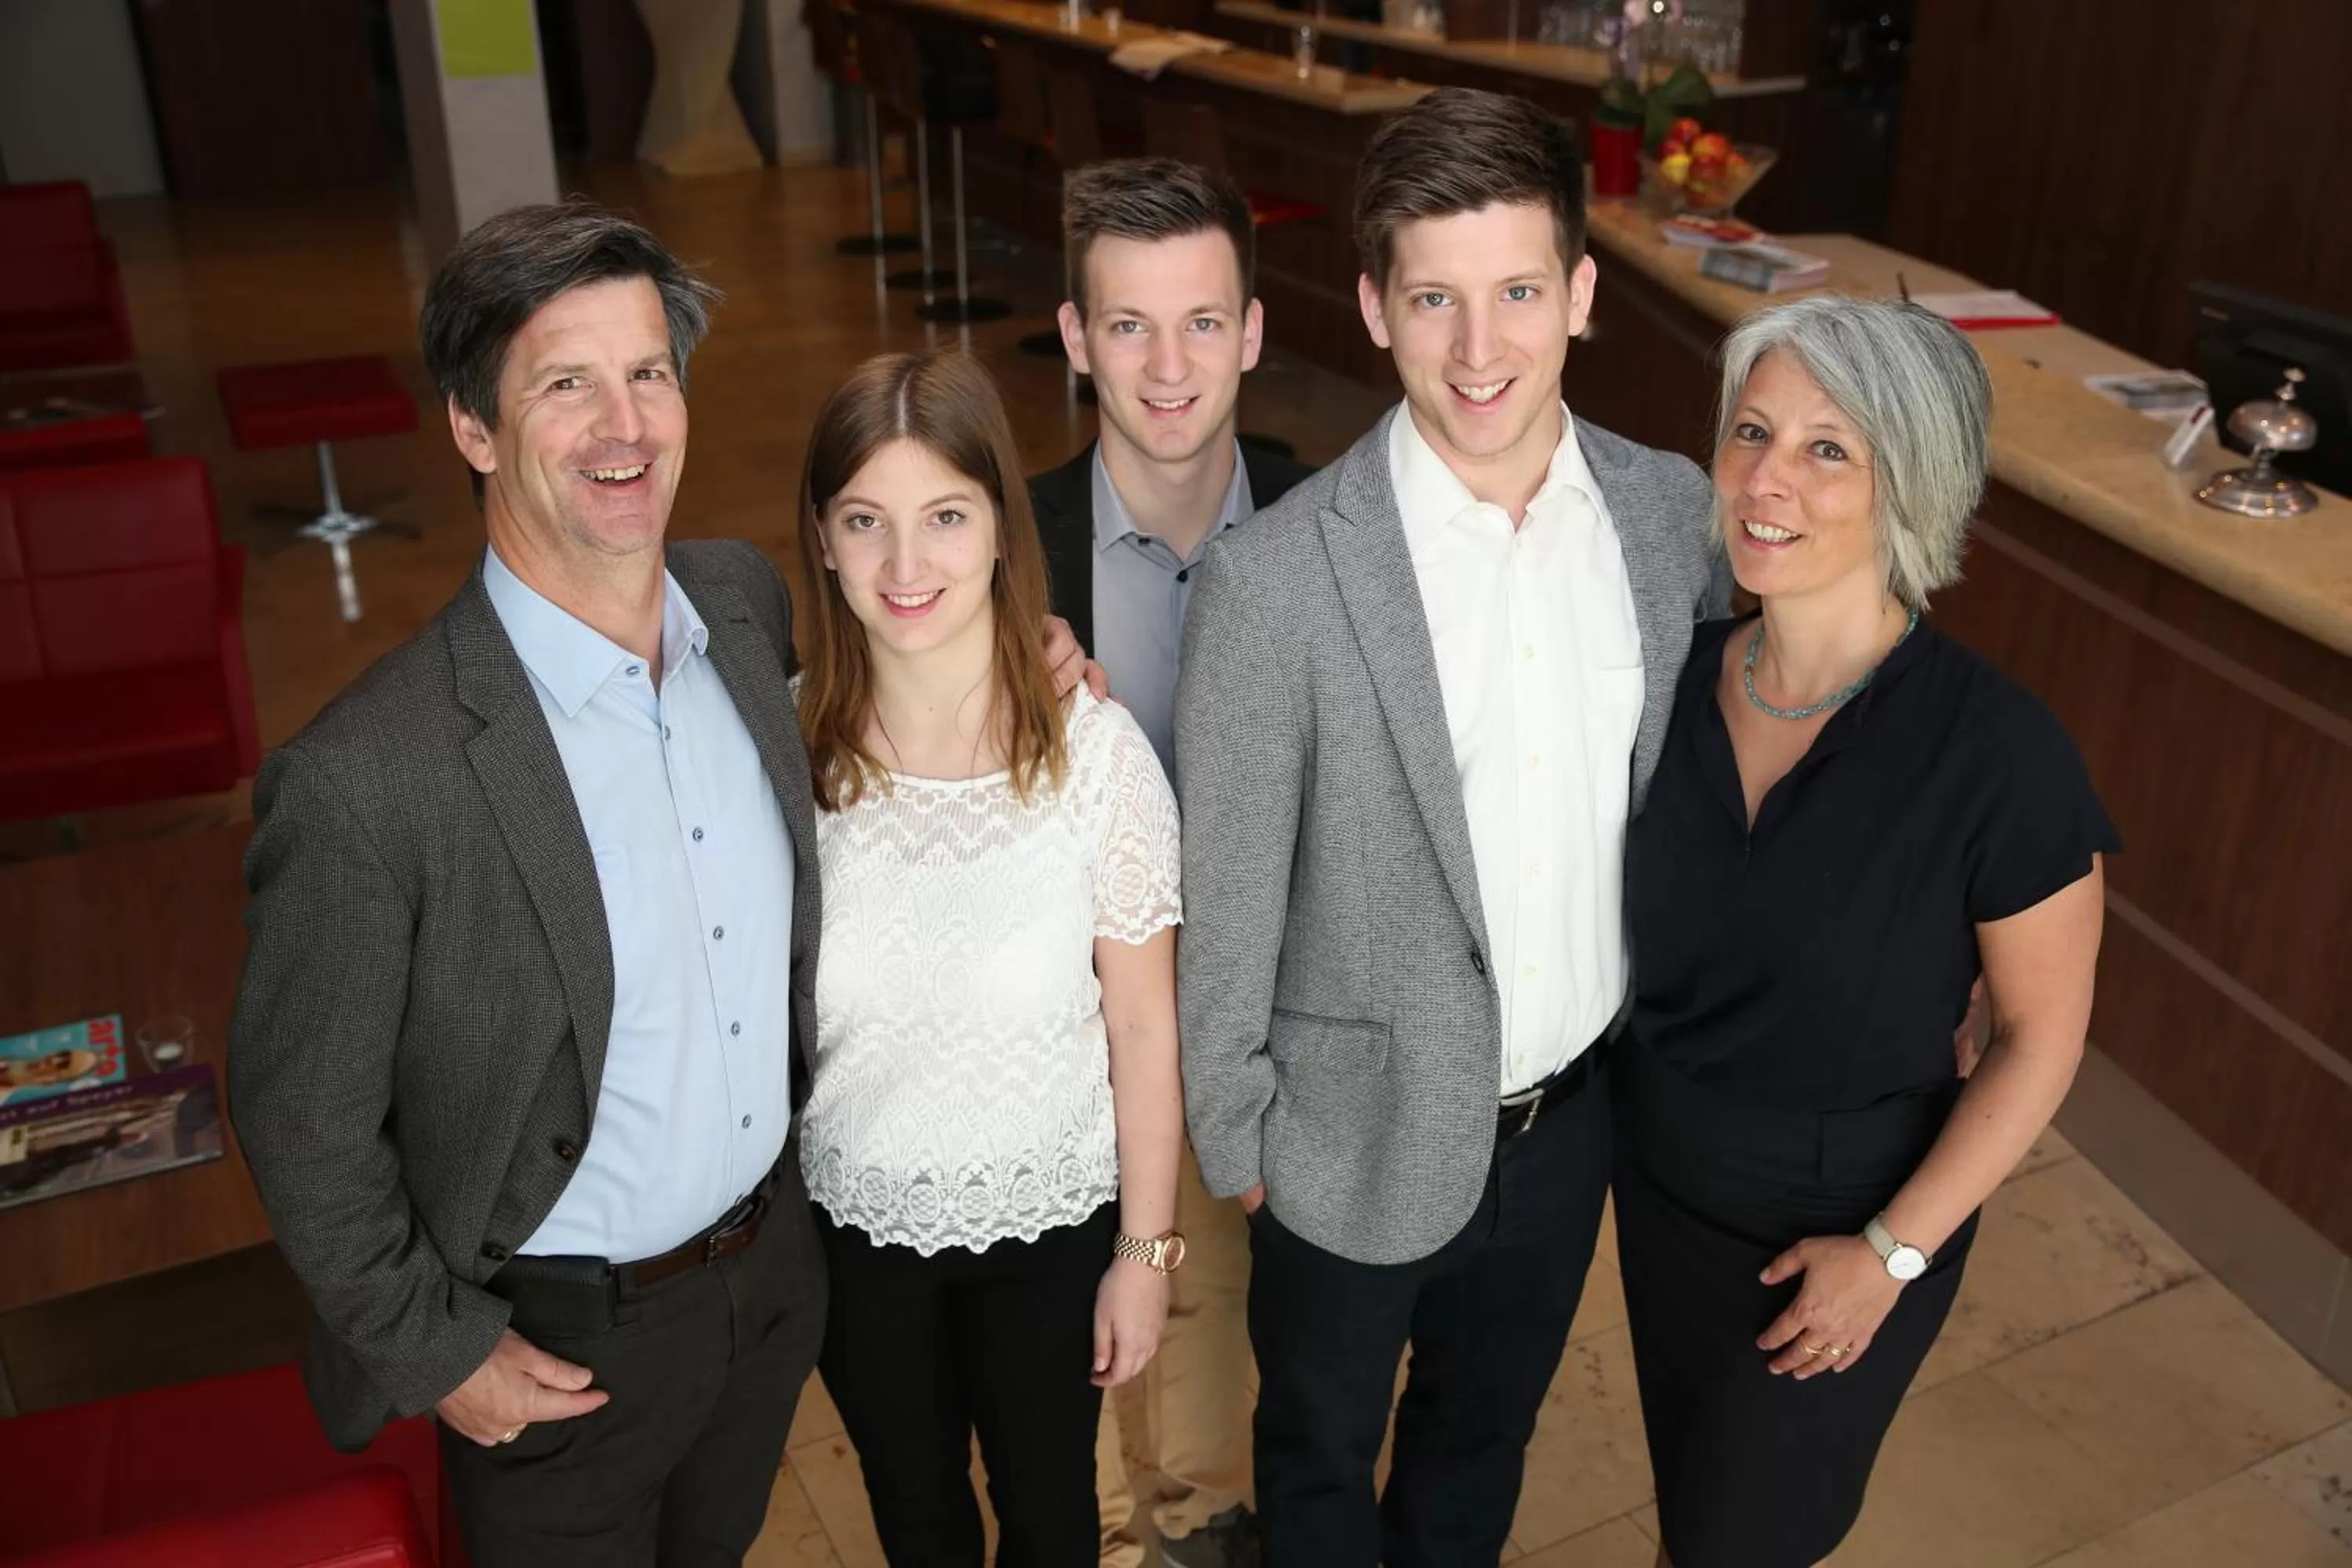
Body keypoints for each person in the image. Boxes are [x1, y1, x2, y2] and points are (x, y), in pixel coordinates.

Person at [227, 201, 1092, 1567]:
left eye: (647, 372)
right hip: (557, 1348)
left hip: (771, 1289)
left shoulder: (740, 607)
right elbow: (299, 1119)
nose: (622, 425)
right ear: (473, 428)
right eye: (564, 385)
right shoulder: (367, 779)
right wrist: (437, 1350)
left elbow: (898, 656)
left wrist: (1019, 656)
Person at [1172, 88, 1727, 1566]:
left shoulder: (1669, 520)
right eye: (1434, 300)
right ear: (1374, 308)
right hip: (1339, 1137)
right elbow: (1228, 893)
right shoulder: (1275, 582)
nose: (1480, 349)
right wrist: (1240, 1139)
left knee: (1480, 1450)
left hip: (1568, 1123)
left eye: (1518, 294)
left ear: (1582, 295)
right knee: (1315, 1463)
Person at [1613, 295, 2117, 1568]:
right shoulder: (1669, 680)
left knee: (1743, 1537)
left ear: (1913, 486)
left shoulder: (2000, 755)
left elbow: (2042, 1038)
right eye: (1751, 432)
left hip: (1845, 1227)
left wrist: (1891, 1256)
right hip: (1662, 1191)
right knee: (1698, 1511)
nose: (1764, 480)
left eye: (1827, 449)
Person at [794, 349, 1185, 1568]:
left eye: (946, 517)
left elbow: (1143, 1028)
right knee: (915, 1515)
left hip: (1053, 1226)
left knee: (1053, 1515)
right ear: (822, 540)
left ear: (1004, 529)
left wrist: (1146, 1255)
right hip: (852, 1231)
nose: (907, 565)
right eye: (867, 521)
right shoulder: (783, 749)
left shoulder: (1098, 757)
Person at [1030, 156, 1312, 1568]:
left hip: (1275, 1040)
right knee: (1069, 1370)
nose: (1167, 366)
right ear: (1075, 338)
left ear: (1252, 331)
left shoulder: (1341, 529)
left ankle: (1210, 1529)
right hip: (1064, 1047)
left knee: (1242, 1365)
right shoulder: (995, 551)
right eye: (1128, 326)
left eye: (1202, 322)